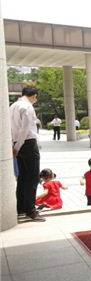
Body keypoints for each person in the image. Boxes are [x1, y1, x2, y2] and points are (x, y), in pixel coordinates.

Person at [9, 86, 45, 221]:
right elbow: (25, 129)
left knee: (23, 177)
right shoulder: (27, 107)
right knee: (33, 178)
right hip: (27, 144)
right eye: (36, 98)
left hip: (17, 143)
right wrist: (18, 146)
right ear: (34, 96)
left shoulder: (13, 106)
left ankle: (21, 208)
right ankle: (31, 210)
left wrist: (15, 145)